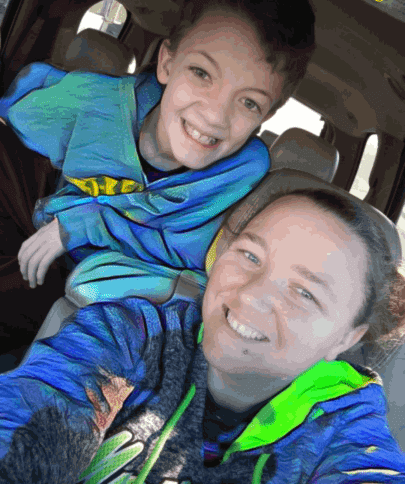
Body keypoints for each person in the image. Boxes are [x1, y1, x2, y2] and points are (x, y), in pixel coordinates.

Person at [0, 168, 405, 483]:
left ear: (347, 337)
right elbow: (31, 415)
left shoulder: (344, 424)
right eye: (250, 256)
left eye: (304, 292)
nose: (251, 295)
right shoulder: (130, 334)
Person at [0, 0, 315, 318]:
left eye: (249, 103)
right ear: (166, 63)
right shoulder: (99, 103)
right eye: (201, 73)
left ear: (265, 118)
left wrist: (84, 224)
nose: (215, 115)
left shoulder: (239, 178)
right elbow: (18, 121)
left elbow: (186, 253)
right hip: (34, 240)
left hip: (112, 299)